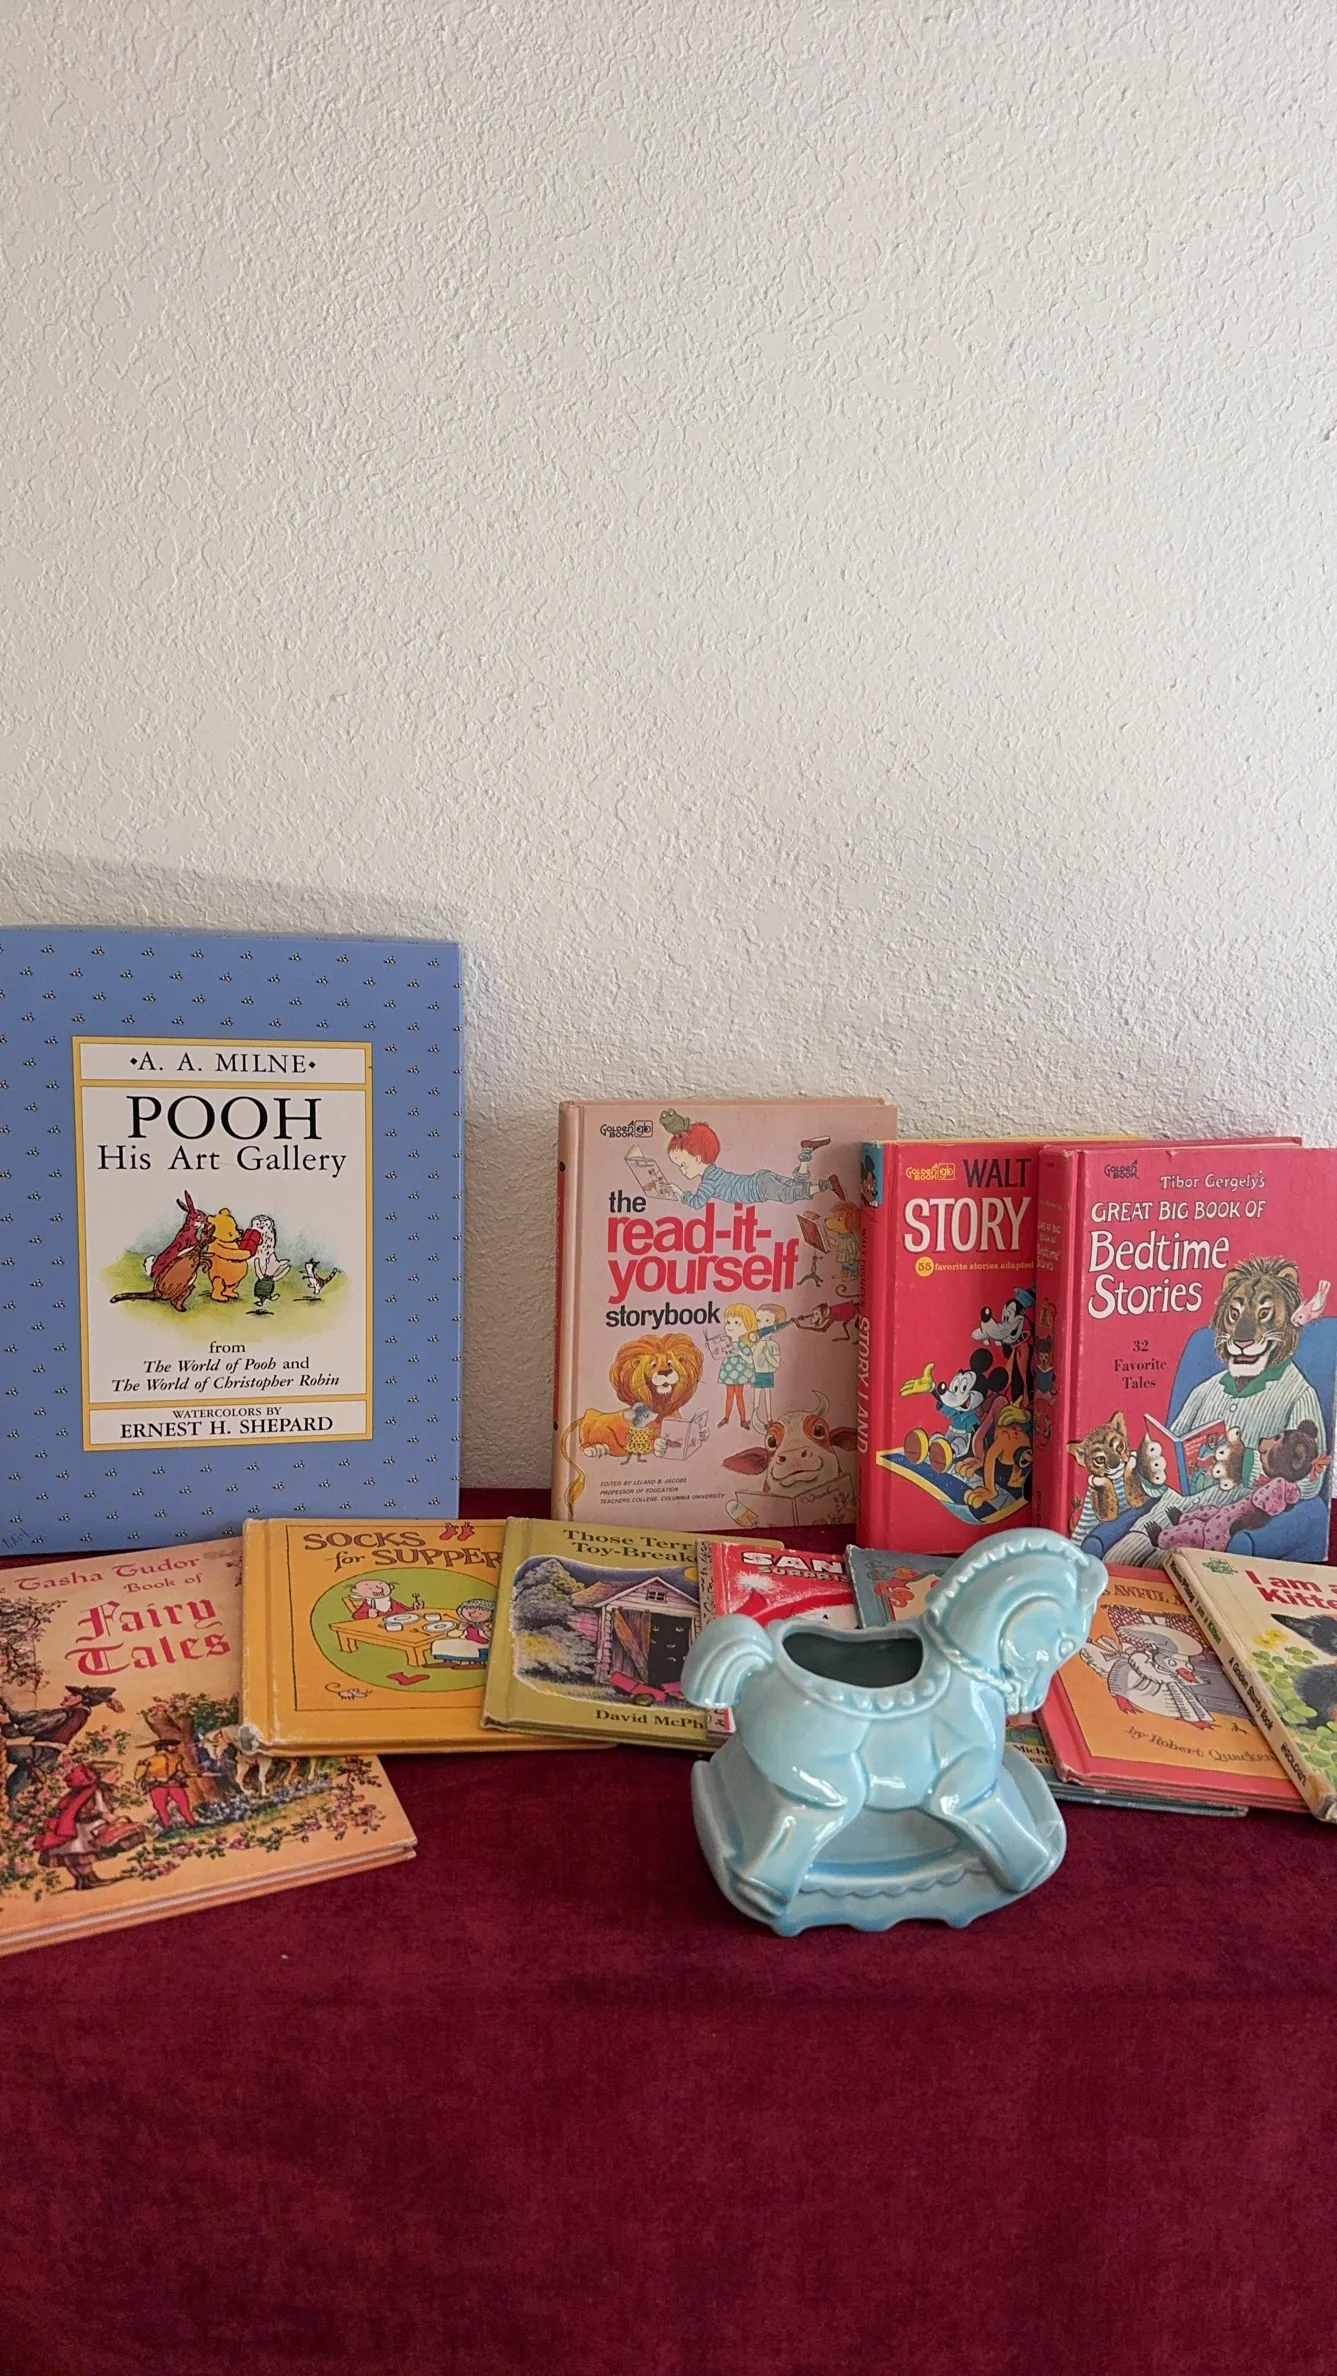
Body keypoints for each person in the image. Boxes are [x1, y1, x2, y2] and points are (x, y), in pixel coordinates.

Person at [663, 1118, 832, 1210]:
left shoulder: (708, 1181)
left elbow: (697, 1203)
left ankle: (823, 1179)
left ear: (697, 1159)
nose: (681, 1170)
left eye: (683, 1164)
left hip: (759, 1188)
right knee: (796, 1187)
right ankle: (812, 1159)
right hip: (761, 1178)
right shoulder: (714, 1173)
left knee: (790, 1194)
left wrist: (679, 1192)